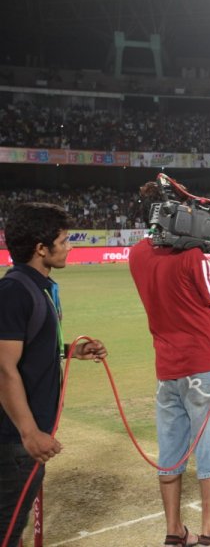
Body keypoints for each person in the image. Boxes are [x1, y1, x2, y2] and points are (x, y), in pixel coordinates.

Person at [129, 182, 210, 547]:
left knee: (171, 452)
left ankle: (174, 532)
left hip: (166, 369)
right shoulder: (192, 256)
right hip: (204, 365)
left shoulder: (136, 254)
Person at [0, 202, 107, 545]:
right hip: (14, 439)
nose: (70, 246)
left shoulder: (38, 286)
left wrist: (70, 351)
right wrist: (30, 434)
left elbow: (27, 348)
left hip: (25, 435)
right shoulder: (15, 291)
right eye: (63, 240)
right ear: (41, 248)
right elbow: (3, 368)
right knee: (7, 529)